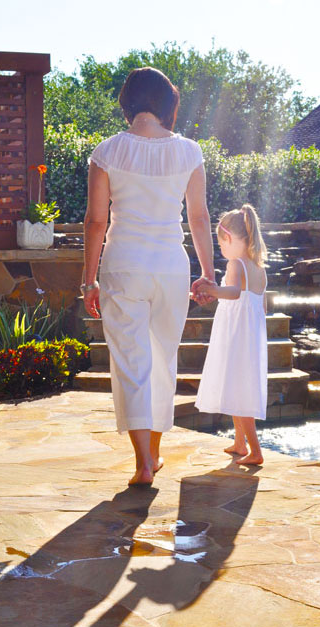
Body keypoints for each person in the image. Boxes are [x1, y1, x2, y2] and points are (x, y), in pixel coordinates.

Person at [82, 67, 215, 485]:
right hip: (171, 267)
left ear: (128, 102)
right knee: (162, 359)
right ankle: (154, 454)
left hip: (123, 265)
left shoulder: (107, 152)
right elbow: (198, 217)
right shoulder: (189, 151)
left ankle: (142, 461)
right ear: (166, 103)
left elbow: (95, 222)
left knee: (131, 362)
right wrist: (208, 273)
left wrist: (89, 280)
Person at [193, 204, 268, 465]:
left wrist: (211, 291)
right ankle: (239, 443)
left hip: (236, 336)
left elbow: (234, 293)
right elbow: (262, 306)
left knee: (239, 392)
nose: (221, 250)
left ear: (230, 239)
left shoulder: (236, 264)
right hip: (249, 337)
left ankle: (255, 451)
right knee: (238, 387)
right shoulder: (258, 268)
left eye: (221, 244)